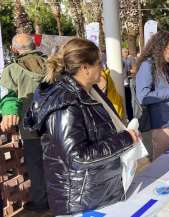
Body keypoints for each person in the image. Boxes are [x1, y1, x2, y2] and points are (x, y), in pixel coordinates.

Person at [23, 38, 139, 215]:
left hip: (98, 193)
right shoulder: (65, 102)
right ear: (85, 67)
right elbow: (77, 157)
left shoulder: (89, 91)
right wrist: (125, 139)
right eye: (99, 63)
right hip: (79, 202)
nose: (103, 67)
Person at [0, 33, 48, 211]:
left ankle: (41, 203)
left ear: (14, 50)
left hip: (30, 129)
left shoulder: (11, 70)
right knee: (57, 163)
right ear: (34, 46)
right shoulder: (52, 64)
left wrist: (8, 112)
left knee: (36, 166)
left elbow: (7, 95)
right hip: (57, 126)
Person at [136, 31, 169, 160]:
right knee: (161, 167)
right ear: (160, 47)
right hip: (159, 126)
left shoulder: (164, 67)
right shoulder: (147, 65)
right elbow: (143, 96)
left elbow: (165, 95)